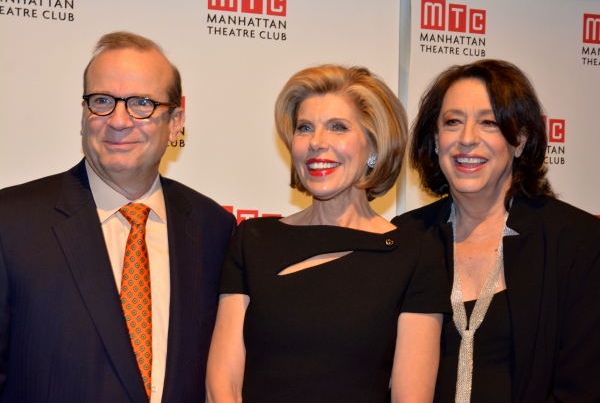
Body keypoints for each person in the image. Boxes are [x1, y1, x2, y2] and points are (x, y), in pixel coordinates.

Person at [0, 31, 235, 402]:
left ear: (175, 122)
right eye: (102, 101)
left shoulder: (214, 229)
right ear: (83, 114)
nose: (119, 120)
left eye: (142, 103)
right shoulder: (11, 223)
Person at [206, 65, 450, 402]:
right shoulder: (253, 240)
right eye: (305, 128)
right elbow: (224, 383)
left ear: (374, 146)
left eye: (338, 128)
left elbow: (411, 397)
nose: (317, 143)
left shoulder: (413, 255)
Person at [393, 59, 600, 402]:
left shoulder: (576, 242)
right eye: (453, 122)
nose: (467, 139)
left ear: (520, 140)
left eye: (489, 123)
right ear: (435, 138)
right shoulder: (404, 238)